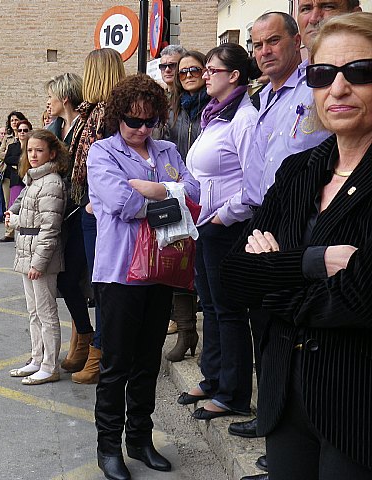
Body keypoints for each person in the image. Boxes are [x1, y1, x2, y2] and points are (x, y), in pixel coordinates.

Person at [221, 13, 372, 479]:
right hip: (286, 396)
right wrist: (312, 262)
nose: (338, 89)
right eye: (323, 75)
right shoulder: (299, 170)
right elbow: (233, 278)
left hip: (358, 408)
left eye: (360, 73)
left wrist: (274, 271)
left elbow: (361, 298)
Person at [88, 73, 200, 480]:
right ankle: (108, 448)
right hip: (119, 272)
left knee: (147, 362)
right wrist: (169, 191)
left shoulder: (168, 148)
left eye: (149, 121)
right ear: (119, 117)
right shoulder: (102, 152)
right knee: (116, 364)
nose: (141, 129)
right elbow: (120, 202)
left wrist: (151, 188)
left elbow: (194, 194)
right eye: (133, 121)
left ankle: (139, 438)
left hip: (162, 269)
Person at [177, 43, 259, 422]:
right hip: (207, 225)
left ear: (235, 76)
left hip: (228, 227)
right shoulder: (216, 115)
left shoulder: (243, 118)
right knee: (209, 305)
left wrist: (225, 216)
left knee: (228, 311)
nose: (204, 75)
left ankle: (233, 394)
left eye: (212, 69)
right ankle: (213, 378)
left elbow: (255, 183)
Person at [69, 47, 126, 385]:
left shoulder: (104, 112)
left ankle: (101, 352)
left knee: (102, 282)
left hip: (97, 206)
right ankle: (91, 344)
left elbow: (107, 162)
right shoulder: (94, 112)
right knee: (93, 280)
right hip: (89, 203)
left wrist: (94, 201)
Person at [6, 129, 68, 385]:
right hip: (26, 249)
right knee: (33, 312)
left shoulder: (51, 182)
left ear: (51, 153)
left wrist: (39, 262)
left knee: (46, 313)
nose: (33, 155)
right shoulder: (35, 179)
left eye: (39, 150)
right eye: (30, 150)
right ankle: (36, 358)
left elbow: (50, 226)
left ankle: (50, 365)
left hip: (39, 255)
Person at [45, 72, 95, 372]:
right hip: (57, 210)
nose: (47, 103)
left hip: (78, 211)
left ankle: (87, 337)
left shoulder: (83, 127)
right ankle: (83, 334)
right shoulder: (54, 128)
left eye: (51, 96)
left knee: (73, 278)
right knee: (65, 280)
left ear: (65, 98)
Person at [164, 50, 211, 360]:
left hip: (211, 196)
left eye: (195, 69)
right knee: (178, 265)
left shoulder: (215, 105)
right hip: (182, 194)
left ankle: (212, 343)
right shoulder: (172, 109)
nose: (189, 75)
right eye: (182, 72)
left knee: (206, 269)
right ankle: (186, 332)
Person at [0, 111, 27, 242]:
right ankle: (9, 232)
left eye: (16, 120)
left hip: (23, 174)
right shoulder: (8, 138)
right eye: (12, 120)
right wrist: (17, 158)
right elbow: (2, 154)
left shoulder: (27, 137)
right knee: (10, 202)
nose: (14, 122)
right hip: (8, 173)